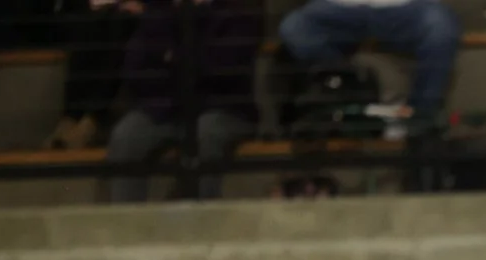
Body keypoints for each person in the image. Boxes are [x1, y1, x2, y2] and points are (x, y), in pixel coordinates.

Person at [104, 0, 261, 203]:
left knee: (206, 132)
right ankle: (127, 219)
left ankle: (202, 216)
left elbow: (224, 72)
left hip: (223, 110)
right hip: (167, 109)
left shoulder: (235, 17)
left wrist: (172, 58)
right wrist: (183, 65)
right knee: (126, 135)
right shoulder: (158, 19)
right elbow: (134, 72)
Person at [277, 0, 460, 122]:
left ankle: (420, 119)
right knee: (294, 27)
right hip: (340, 8)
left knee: (440, 28)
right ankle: (351, 85)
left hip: (406, 8)